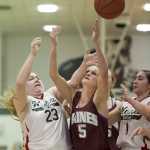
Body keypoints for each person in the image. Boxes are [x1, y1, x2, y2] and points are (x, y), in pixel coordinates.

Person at [1, 37, 71, 150]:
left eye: (38, 77)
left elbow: (71, 85)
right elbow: (19, 83)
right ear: (25, 89)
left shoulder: (51, 94)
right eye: (31, 78)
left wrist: (85, 65)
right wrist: (32, 54)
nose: (37, 79)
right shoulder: (23, 102)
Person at [49, 19, 110, 150]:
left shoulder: (99, 100)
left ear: (99, 82)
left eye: (94, 73)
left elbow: (104, 74)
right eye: (87, 71)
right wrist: (54, 45)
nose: (88, 73)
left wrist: (96, 43)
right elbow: (54, 75)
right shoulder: (73, 97)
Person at [109, 70, 150, 150]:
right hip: (123, 147)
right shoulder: (126, 103)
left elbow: (148, 114)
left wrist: (129, 99)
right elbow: (108, 120)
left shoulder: (147, 101)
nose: (135, 81)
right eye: (135, 79)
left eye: (140, 79)